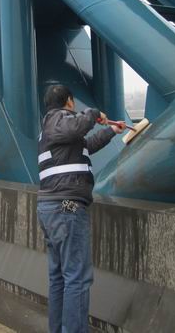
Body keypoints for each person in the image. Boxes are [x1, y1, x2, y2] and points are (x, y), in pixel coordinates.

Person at [37, 85, 124, 332]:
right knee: (77, 278)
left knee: (59, 278)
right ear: (69, 101)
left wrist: (111, 131)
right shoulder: (57, 119)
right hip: (67, 206)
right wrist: (94, 113)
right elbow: (77, 126)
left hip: (51, 207)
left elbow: (86, 145)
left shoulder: (51, 130)